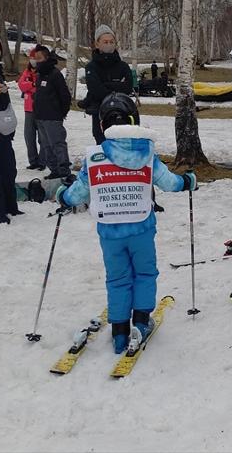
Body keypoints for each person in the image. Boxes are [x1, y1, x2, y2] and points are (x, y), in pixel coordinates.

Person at [56, 93, 196, 353]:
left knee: (118, 278)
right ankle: (140, 322)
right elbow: (170, 183)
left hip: (110, 232)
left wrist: (62, 196)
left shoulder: (94, 157)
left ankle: (120, 331)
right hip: (141, 227)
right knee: (144, 273)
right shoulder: (147, 154)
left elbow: (77, 194)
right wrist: (187, 181)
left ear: (102, 126)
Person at [79, 25, 134, 144]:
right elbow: (95, 90)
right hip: (99, 111)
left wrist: (106, 85)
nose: (109, 44)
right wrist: (115, 86)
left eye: (111, 41)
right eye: (105, 42)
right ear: (97, 44)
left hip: (122, 111)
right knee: (102, 142)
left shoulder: (123, 66)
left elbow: (128, 87)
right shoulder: (91, 67)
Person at [0, 34, 21, 224]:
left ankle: (11, 206)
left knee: (9, 170)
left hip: (3, 129)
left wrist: (2, 93)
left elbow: (4, 104)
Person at [32, 45, 72, 179]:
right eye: (35, 58)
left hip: (53, 117)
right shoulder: (39, 75)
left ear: (46, 58)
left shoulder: (55, 74)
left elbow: (65, 95)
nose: (37, 61)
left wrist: (61, 113)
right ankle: (54, 170)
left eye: (39, 58)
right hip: (40, 117)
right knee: (46, 146)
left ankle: (64, 170)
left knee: (57, 144)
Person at [17, 48, 44, 170]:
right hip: (28, 109)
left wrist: (31, 87)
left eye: (35, 58)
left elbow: (41, 88)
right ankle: (33, 161)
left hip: (41, 108)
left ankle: (43, 161)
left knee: (43, 137)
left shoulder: (42, 72)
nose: (33, 61)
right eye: (31, 58)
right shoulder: (27, 72)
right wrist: (32, 85)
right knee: (29, 136)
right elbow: (21, 85)